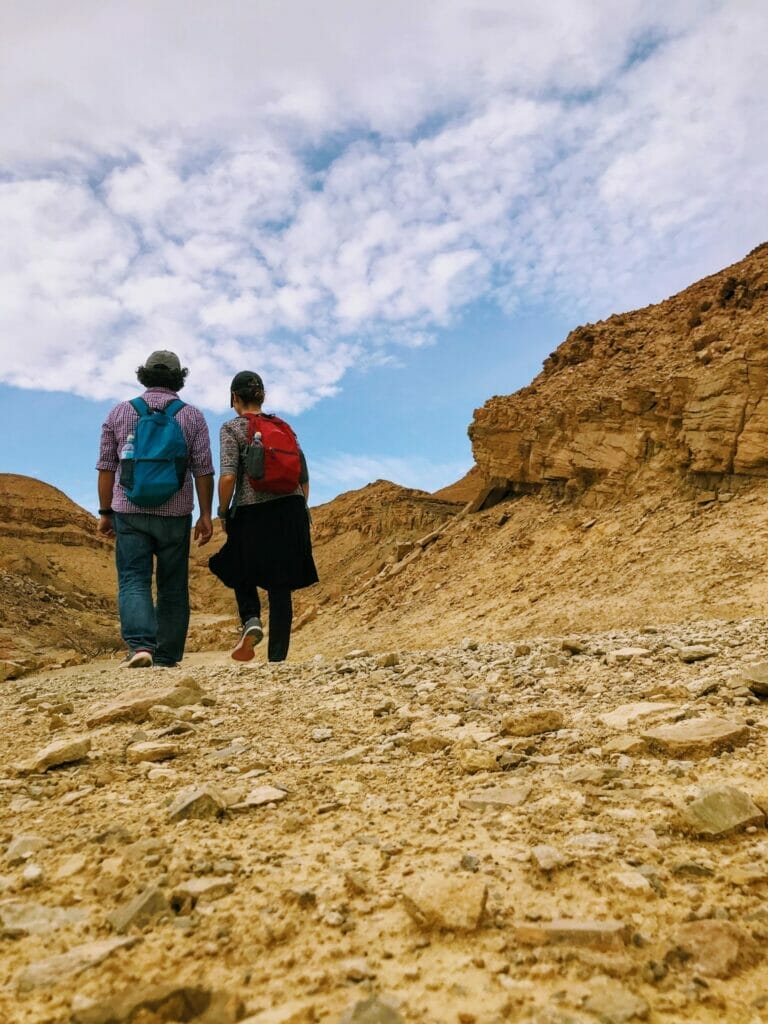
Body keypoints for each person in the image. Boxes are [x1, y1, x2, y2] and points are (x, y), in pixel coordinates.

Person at [96, 350, 215, 668]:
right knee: (172, 584)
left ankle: (141, 648)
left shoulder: (119, 413)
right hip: (175, 513)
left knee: (134, 578)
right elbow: (203, 469)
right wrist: (205, 514)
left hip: (129, 511)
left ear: (144, 375)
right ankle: (166, 655)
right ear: (178, 379)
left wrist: (105, 512)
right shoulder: (192, 416)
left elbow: (107, 467)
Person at [208, 371, 318, 662]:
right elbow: (303, 479)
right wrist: (294, 510)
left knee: (236, 565)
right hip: (292, 510)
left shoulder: (232, 428)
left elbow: (229, 476)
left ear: (234, 398)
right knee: (280, 586)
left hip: (252, 510)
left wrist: (222, 511)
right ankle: (277, 660)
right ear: (262, 397)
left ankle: (251, 619)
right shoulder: (284, 428)